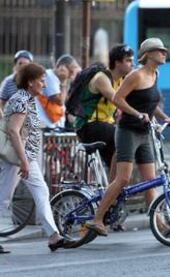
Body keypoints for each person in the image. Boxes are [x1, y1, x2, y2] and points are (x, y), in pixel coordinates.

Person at [85, 38, 170, 236]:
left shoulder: (155, 74)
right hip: (128, 131)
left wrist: (166, 117)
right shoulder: (136, 76)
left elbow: (152, 104)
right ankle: (97, 219)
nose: (164, 54)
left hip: (145, 133)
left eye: (164, 50)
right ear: (149, 54)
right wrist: (136, 114)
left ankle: (160, 225)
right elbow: (118, 99)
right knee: (123, 179)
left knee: (151, 181)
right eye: (160, 51)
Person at [0, 63, 73, 251]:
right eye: (41, 81)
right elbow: (14, 132)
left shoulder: (28, 99)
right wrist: (24, 161)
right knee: (4, 198)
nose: (44, 84)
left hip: (25, 157)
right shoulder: (21, 100)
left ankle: (54, 236)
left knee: (41, 191)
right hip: (15, 158)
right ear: (30, 82)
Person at [75, 44, 134, 181]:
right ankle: (112, 190)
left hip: (105, 127)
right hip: (89, 126)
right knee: (124, 139)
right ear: (117, 63)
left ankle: (112, 192)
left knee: (120, 158)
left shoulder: (122, 80)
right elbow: (116, 99)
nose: (133, 64)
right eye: (128, 60)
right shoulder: (102, 78)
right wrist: (137, 114)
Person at [36, 54, 81, 128]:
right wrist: (64, 81)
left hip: (54, 125)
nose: (71, 75)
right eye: (71, 71)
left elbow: (66, 100)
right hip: (46, 125)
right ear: (62, 67)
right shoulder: (49, 76)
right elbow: (59, 101)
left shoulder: (56, 79)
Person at [0, 50, 34, 117]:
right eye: (20, 63)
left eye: (26, 64)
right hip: (12, 120)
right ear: (15, 65)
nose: (23, 66)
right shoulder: (8, 81)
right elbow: (1, 102)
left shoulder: (35, 81)